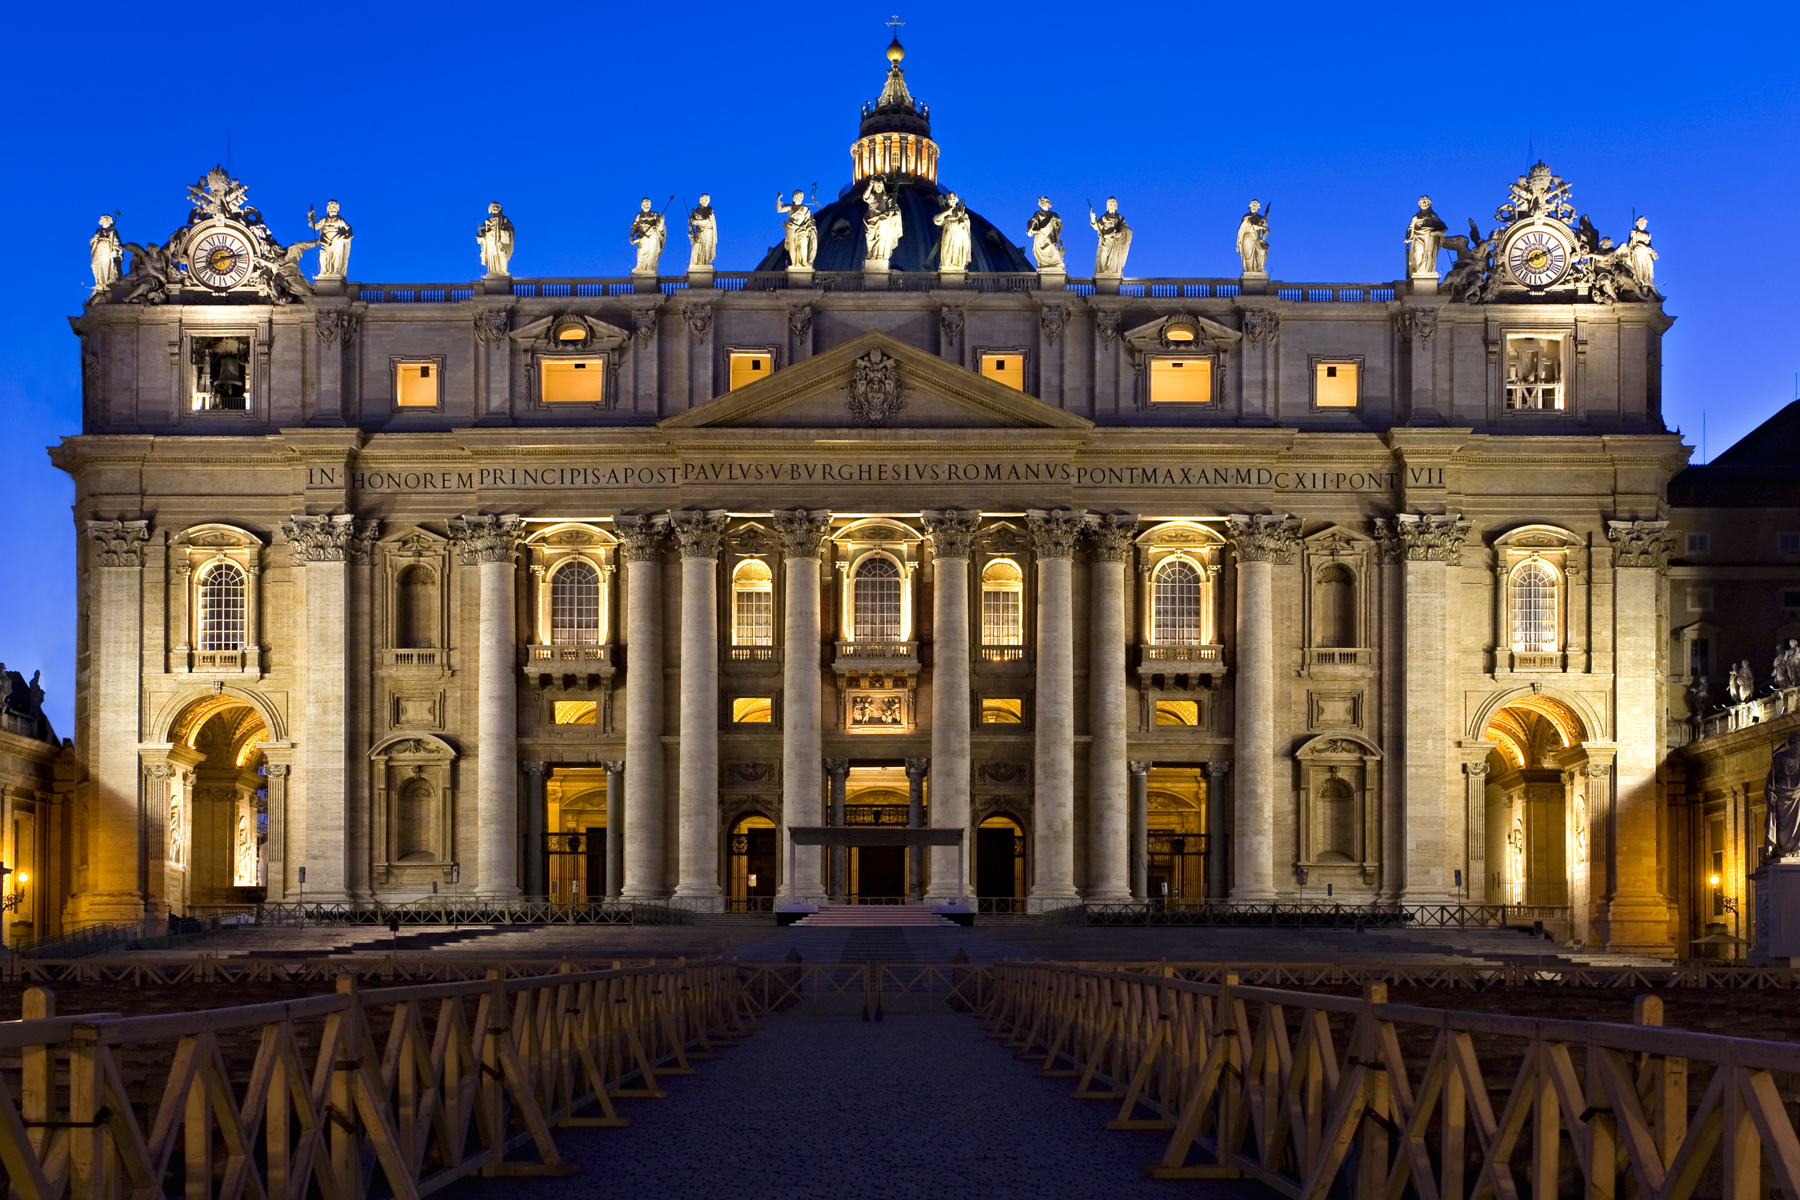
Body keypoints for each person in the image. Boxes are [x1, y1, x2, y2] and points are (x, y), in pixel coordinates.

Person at [307, 200, 353, 279]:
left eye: (335, 207)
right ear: (328, 209)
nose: (333, 209)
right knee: (323, 255)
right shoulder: (324, 220)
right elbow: (315, 226)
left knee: (337, 256)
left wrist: (347, 236)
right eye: (331, 207)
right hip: (326, 242)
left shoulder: (339, 220)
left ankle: (336, 272)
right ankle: (324, 272)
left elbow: (349, 229)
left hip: (337, 241)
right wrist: (310, 218)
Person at [1405, 195, 1446, 277]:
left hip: (1430, 237)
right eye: (1422, 202)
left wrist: (1438, 232)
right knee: (1418, 253)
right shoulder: (1415, 218)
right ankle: (1418, 271)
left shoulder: (1433, 216)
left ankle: (1426, 272)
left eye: (1426, 202)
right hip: (1418, 237)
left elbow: (1443, 227)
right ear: (1419, 204)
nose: (1424, 203)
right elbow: (1410, 228)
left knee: (1428, 254)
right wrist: (1408, 236)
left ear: (1429, 204)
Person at [1089, 196, 1131, 276]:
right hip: (1106, 240)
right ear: (1107, 206)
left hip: (1115, 242)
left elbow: (1126, 229)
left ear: (1115, 206)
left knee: (1113, 260)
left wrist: (1119, 233)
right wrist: (1093, 218)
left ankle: (1111, 273)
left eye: (1113, 204)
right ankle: (1104, 272)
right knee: (1103, 256)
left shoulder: (1119, 218)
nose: (1111, 205)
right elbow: (1096, 227)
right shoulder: (1104, 218)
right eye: (1109, 204)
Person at [777, 189, 816, 269]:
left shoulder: (805, 209)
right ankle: (794, 263)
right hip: (791, 229)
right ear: (793, 198)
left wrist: (810, 226)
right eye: (797, 196)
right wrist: (778, 199)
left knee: (803, 244)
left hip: (801, 229)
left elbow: (809, 220)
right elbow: (779, 209)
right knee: (792, 246)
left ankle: (804, 262)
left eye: (801, 197)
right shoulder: (790, 207)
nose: (799, 198)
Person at [934, 192, 971, 271]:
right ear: (947, 200)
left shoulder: (962, 212)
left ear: (956, 200)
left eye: (953, 198)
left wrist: (962, 222)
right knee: (947, 247)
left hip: (958, 232)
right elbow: (936, 219)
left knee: (956, 248)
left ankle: (956, 265)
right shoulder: (946, 212)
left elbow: (966, 222)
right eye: (949, 199)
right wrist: (946, 212)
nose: (951, 200)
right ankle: (947, 264)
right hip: (948, 230)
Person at [1025, 197, 1064, 270]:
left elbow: (1060, 224)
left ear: (1049, 205)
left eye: (1047, 202)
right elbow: (1034, 222)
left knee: (1056, 255)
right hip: (1041, 238)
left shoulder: (1053, 215)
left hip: (1050, 237)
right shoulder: (1037, 214)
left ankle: (1055, 265)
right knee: (1044, 255)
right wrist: (1031, 229)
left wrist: (1056, 222)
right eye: (1043, 202)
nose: (1045, 203)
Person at [477, 202, 515, 276]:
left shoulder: (504, 219)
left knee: (501, 254)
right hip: (490, 241)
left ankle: (504, 270)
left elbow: (510, 229)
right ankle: (492, 272)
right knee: (492, 255)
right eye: (492, 207)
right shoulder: (487, 221)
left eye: (495, 207)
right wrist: (480, 236)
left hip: (500, 242)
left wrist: (504, 232)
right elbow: (482, 231)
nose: (494, 209)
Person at [1624, 216, 1659, 297]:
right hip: (1638, 252)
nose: (1643, 224)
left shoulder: (1648, 234)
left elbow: (1649, 245)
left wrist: (1652, 252)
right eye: (1641, 222)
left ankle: (1646, 284)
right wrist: (1632, 237)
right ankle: (1640, 283)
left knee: (1648, 268)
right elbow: (1630, 245)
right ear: (1637, 223)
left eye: (1644, 223)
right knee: (1639, 268)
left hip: (1646, 253)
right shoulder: (1634, 232)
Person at [629, 198, 666, 274]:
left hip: (653, 237)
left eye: (648, 203)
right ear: (642, 205)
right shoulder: (639, 216)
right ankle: (641, 268)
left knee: (651, 255)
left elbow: (660, 229)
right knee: (641, 253)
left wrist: (661, 221)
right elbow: (634, 226)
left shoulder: (655, 215)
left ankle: (650, 268)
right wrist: (631, 236)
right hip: (643, 238)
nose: (647, 204)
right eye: (645, 203)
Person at [90, 214, 122, 295]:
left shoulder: (113, 232)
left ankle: (106, 283)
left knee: (107, 267)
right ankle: (100, 283)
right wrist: (95, 239)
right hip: (98, 252)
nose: (105, 222)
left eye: (107, 220)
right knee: (97, 267)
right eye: (104, 220)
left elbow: (116, 242)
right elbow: (92, 241)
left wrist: (115, 250)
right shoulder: (98, 231)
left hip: (107, 251)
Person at [1236, 200, 1269, 274]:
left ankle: (1260, 268)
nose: (1254, 207)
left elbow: (1263, 230)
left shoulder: (1260, 218)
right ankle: (1249, 270)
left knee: (1261, 251)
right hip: (1248, 236)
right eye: (1252, 205)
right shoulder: (1246, 217)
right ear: (1250, 207)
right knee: (1248, 253)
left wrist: (1264, 223)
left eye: (1255, 205)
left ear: (1258, 207)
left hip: (1256, 237)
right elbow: (1245, 226)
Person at [687, 194, 717, 268]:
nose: (707, 202)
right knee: (697, 249)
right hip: (699, 234)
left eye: (708, 200)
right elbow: (691, 223)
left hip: (708, 234)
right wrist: (690, 231)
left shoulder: (710, 212)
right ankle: (697, 266)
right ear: (701, 200)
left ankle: (704, 266)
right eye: (706, 200)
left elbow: (710, 223)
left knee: (706, 251)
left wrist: (696, 222)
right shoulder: (695, 211)